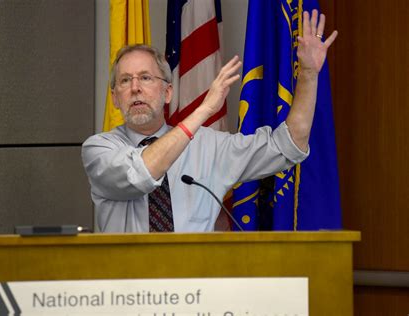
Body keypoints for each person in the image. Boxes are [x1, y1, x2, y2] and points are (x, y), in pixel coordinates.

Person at [82, 10, 338, 233]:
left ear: (168, 92)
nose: (135, 88)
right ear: (115, 98)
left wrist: (307, 74)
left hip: (194, 282)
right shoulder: (100, 149)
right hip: (129, 286)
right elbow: (143, 172)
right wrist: (205, 109)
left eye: (146, 78)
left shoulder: (209, 146)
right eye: (125, 81)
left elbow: (289, 145)